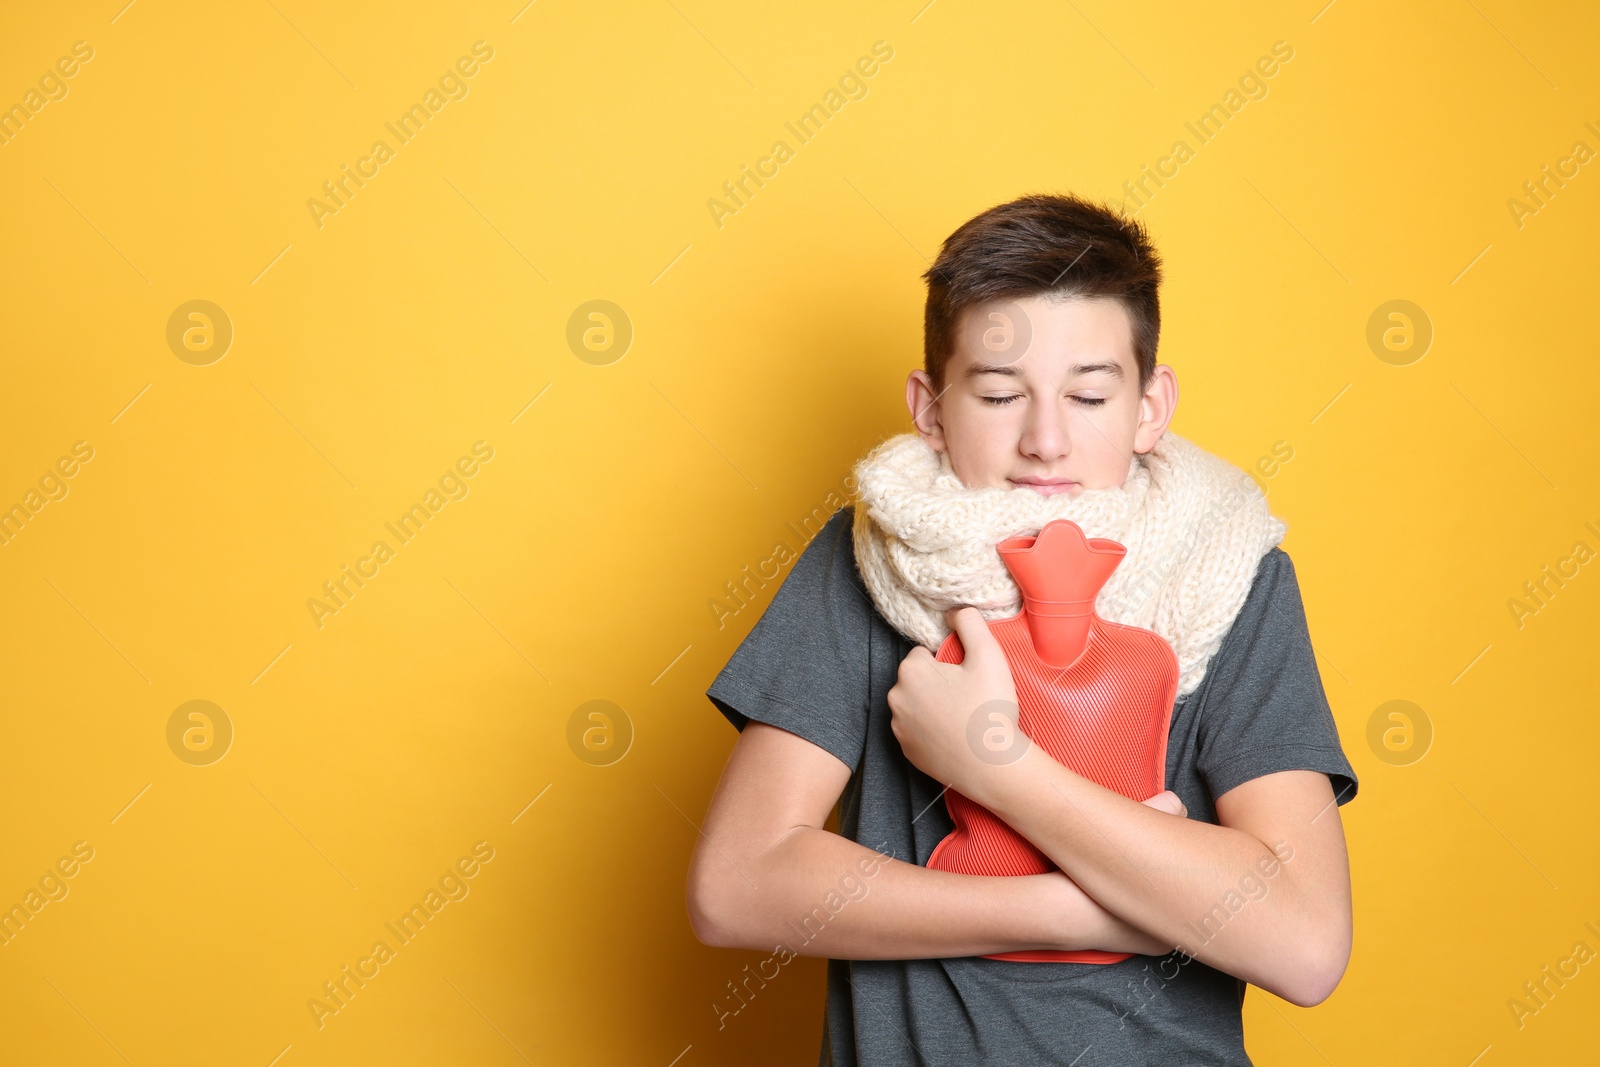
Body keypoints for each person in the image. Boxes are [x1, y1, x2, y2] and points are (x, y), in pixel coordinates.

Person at [687, 192, 1359, 1065]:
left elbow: (1304, 943)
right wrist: (1063, 909)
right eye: (1002, 393)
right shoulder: (862, 560)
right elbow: (736, 887)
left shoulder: (1235, 575)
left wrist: (993, 765)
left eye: (1088, 395)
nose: (1046, 440)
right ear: (930, 409)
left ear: (1150, 407)